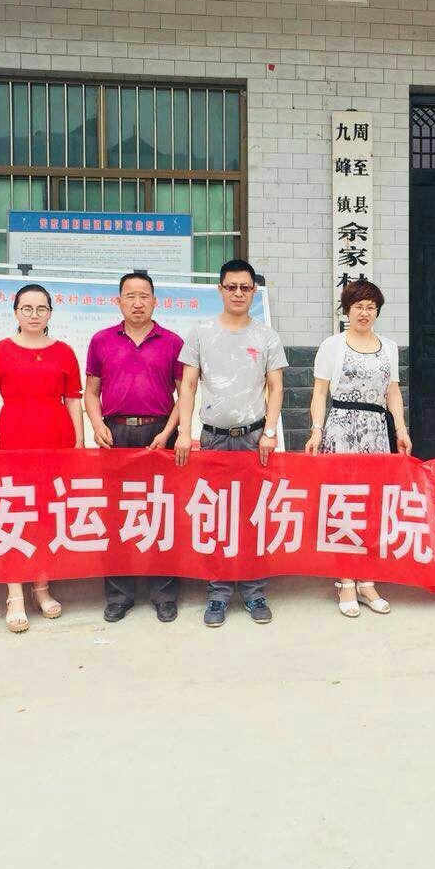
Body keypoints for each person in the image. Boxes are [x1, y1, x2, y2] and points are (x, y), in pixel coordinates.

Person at [173, 259, 288, 628]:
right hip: (213, 438)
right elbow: (188, 385)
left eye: (245, 287)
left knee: (254, 514)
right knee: (217, 515)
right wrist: (185, 432)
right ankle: (218, 592)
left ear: (254, 291)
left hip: (253, 438)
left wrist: (270, 431)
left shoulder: (266, 336)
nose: (238, 293)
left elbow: (276, 387)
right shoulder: (201, 333)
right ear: (220, 290)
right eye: (231, 287)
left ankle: (254, 591)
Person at [0, 284, 83, 632]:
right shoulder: (0, 351)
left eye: (41, 309)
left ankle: (41, 586)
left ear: (50, 313)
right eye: (27, 308)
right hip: (13, 438)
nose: (34, 315)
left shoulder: (64, 352)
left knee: (47, 515)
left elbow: (74, 399)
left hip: (56, 439)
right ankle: (14, 594)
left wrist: (79, 441)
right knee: (14, 513)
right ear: (16, 312)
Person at [304, 279, 412, 617]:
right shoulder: (332, 345)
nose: (364, 313)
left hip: (376, 432)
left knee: (372, 505)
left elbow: (392, 392)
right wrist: (317, 430)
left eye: (370, 307)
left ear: (377, 311)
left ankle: (366, 579)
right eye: (358, 307)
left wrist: (401, 429)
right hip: (340, 429)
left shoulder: (389, 347)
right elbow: (320, 392)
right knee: (342, 503)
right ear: (347, 311)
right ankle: (345, 579)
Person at [84, 271, 185, 623]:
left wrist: (170, 431)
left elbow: (184, 395)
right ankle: (119, 594)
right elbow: (91, 392)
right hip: (115, 435)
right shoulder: (101, 341)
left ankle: (164, 594)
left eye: (144, 296)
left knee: (161, 513)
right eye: (130, 296)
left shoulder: (172, 342)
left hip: (160, 434)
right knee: (116, 514)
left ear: (155, 301)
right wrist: (97, 424)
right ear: (119, 301)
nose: (137, 303)